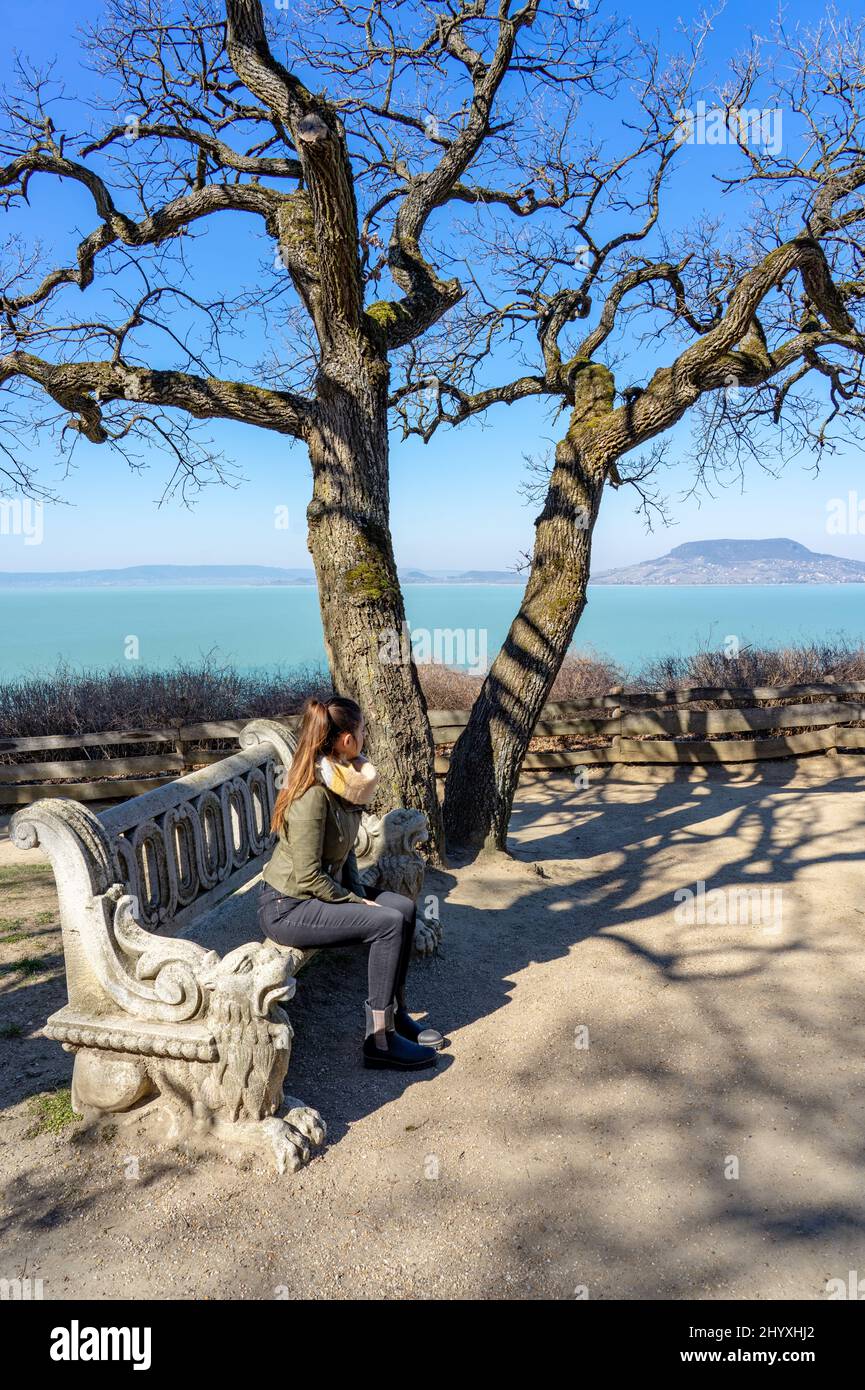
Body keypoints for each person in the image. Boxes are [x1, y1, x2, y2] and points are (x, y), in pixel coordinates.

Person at [257, 695, 444, 1070]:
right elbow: (309, 875)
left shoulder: (343, 781)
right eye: (361, 731)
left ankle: (395, 1013)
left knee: (403, 908)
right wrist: (359, 905)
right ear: (345, 740)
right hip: (288, 905)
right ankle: (379, 1040)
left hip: (319, 894)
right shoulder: (313, 794)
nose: (364, 737)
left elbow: (345, 856)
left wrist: (358, 893)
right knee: (387, 923)